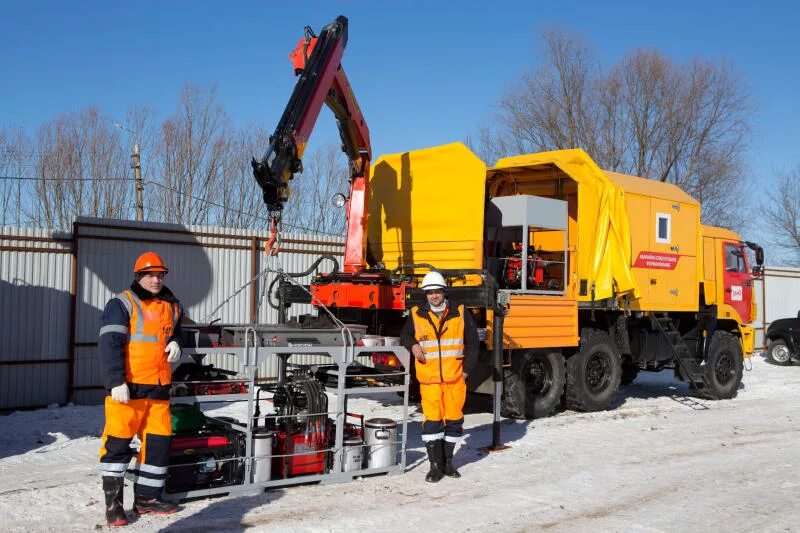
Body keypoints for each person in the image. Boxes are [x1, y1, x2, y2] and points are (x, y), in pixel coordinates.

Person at [98, 252, 184, 526]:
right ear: (139, 277)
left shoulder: (172, 305)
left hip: (158, 391)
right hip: (128, 390)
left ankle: (147, 499)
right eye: (150, 275)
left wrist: (177, 341)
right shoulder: (121, 303)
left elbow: (176, 330)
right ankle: (114, 507)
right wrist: (115, 382)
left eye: (160, 274)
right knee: (117, 448)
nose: (156, 279)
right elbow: (109, 345)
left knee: (157, 448)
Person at [401, 271, 479, 483]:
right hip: (429, 382)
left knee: (454, 423)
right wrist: (413, 345)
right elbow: (405, 335)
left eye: (437, 291)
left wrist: (466, 371)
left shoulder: (460, 312)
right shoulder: (416, 314)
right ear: (425, 295)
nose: (434, 296)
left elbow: (473, 343)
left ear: (443, 292)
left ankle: (448, 463)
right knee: (432, 424)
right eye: (429, 292)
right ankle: (435, 466)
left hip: (455, 380)